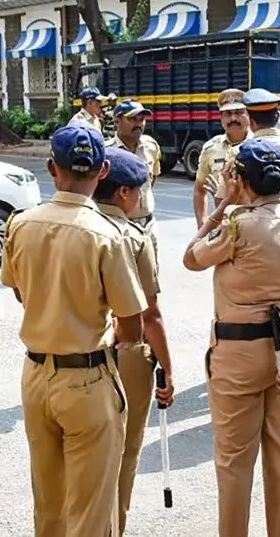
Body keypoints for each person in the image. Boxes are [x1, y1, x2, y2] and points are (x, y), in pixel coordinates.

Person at [182, 138, 280, 537]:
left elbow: (191, 256)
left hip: (237, 355)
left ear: (242, 181)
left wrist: (222, 203)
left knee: (235, 463)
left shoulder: (237, 225)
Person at [1, 124, 147, 537]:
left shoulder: (21, 224)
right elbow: (132, 322)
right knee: (91, 512)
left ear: (52, 168)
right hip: (87, 376)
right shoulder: (107, 234)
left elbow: (21, 294)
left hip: (36, 375)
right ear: (102, 171)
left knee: (48, 506)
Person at [94, 149, 175, 535]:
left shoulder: (63, 226)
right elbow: (149, 314)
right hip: (123, 352)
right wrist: (169, 370)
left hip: (59, 358)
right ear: (125, 193)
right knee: (123, 455)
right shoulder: (132, 236)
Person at [108, 100, 163, 255]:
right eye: (132, 119)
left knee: (152, 275)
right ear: (117, 121)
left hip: (148, 225)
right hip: (119, 226)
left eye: (141, 120)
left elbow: (152, 179)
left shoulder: (151, 146)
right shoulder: (108, 152)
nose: (139, 124)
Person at [194, 88, 252, 226]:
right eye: (228, 114)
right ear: (221, 118)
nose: (233, 119)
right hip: (222, 228)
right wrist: (202, 223)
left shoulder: (260, 146)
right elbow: (199, 189)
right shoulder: (211, 148)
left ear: (249, 115)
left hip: (254, 227)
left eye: (239, 113)